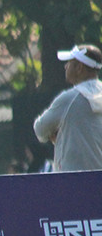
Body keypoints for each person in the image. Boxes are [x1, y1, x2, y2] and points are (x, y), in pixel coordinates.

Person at [33, 44, 102, 172]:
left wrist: (57, 134)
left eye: (70, 63)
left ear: (79, 68)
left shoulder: (69, 100)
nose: (65, 66)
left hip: (71, 182)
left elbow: (40, 130)